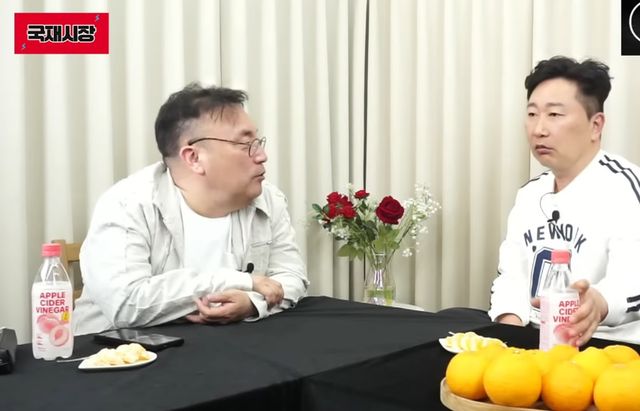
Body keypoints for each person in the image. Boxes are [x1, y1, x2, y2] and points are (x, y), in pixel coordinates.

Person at [73, 83, 309, 335]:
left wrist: (252, 303)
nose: (262, 155)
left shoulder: (268, 198)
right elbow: (126, 303)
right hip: (119, 351)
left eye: (258, 141)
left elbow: (292, 277)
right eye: (245, 144)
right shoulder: (127, 204)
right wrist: (240, 281)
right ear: (194, 157)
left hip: (229, 345)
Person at [489, 56, 640, 345]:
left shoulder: (625, 188)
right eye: (532, 114)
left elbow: (632, 279)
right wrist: (510, 331)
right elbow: (511, 277)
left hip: (607, 346)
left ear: (596, 125)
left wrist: (599, 302)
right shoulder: (530, 195)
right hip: (534, 338)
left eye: (554, 114)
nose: (538, 129)